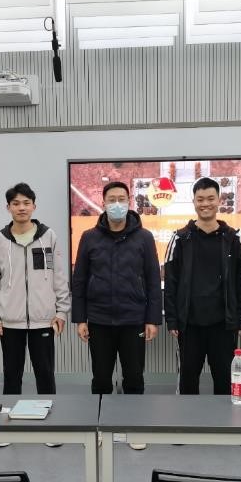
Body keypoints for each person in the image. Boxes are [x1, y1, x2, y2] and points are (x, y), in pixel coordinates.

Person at [72, 180, 161, 450]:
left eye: (122, 199)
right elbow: (80, 279)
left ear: (129, 201)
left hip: (133, 319)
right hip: (99, 320)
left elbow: (153, 280)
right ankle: (100, 428)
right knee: (101, 378)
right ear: (103, 203)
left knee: (134, 377)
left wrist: (152, 319)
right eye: (112, 199)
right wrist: (80, 318)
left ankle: (134, 428)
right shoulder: (89, 237)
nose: (117, 204)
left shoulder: (144, 237)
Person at [0, 183, 70, 396]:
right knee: (11, 374)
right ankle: (11, 414)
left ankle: (50, 412)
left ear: (34, 206)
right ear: (8, 207)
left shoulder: (48, 237)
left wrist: (61, 311)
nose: (21, 207)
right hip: (10, 322)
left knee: (45, 373)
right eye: (16, 203)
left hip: (44, 320)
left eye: (26, 203)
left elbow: (59, 276)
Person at [164, 177, 241, 395]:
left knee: (225, 382)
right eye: (200, 199)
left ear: (219, 200)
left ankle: (225, 418)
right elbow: (171, 282)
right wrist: (172, 319)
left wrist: (238, 318)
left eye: (210, 198)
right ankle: (189, 418)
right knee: (188, 382)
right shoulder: (179, 238)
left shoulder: (233, 239)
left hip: (223, 324)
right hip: (189, 324)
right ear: (194, 202)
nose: (205, 204)